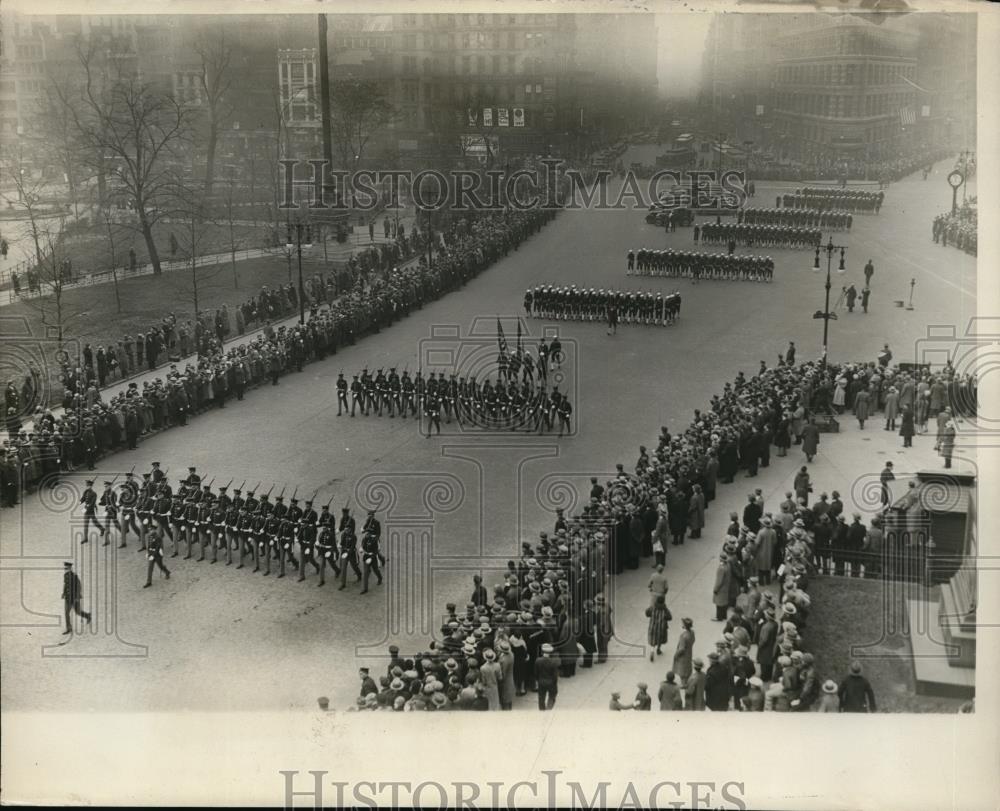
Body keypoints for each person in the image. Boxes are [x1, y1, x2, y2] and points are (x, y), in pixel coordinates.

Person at [61, 560, 92, 634]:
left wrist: (77, 597)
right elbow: (66, 585)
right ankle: (69, 628)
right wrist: (64, 593)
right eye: (65, 568)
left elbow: (78, 586)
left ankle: (87, 616)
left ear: (70, 568)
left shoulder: (74, 576)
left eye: (67, 568)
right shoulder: (65, 576)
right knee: (66, 613)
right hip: (68, 597)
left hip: (74, 597)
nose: (65, 569)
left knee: (77, 612)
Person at [646, 593, 671, 660]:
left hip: (653, 627)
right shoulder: (665, 610)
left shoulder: (653, 608)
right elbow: (670, 617)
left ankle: (652, 651)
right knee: (660, 639)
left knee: (653, 640)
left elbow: (647, 613)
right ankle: (658, 649)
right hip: (661, 628)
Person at [534, 642, 559, 711]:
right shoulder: (553, 662)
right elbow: (555, 676)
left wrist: (538, 680)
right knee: (552, 696)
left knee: (541, 698)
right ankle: (548, 708)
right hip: (551, 683)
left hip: (541, 682)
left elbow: (536, 673)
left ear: (542, 651)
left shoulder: (538, 660)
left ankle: (542, 710)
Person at [712, 553, 732, 621]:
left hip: (721, 588)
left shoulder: (721, 568)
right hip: (726, 587)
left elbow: (719, 581)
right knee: (724, 602)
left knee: (719, 603)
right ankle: (724, 615)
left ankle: (719, 617)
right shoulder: (728, 565)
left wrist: (716, 589)